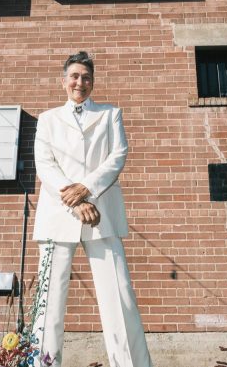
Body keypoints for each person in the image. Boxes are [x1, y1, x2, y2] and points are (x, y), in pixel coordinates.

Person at [32, 51, 152, 367]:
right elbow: (45, 165)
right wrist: (76, 200)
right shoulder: (47, 119)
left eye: (86, 77)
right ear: (64, 80)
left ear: (92, 82)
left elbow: (117, 156)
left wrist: (88, 189)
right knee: (49, 302)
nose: (80, 82)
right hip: (59, 214)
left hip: (103, 214)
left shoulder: (111, 114)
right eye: (74, 76)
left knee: (119, 297)